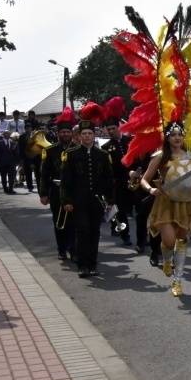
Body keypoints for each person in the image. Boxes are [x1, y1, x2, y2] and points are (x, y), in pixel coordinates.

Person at [139, 122, 191, 297]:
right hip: (165, 202)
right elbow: (145, 179)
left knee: (181, 241)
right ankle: (167, 258)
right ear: (167, 137)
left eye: (180, 135)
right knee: (169, 240)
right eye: (173, 134)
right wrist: (151, 189)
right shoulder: (160, 156)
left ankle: (178, 281)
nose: (177, 138)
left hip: (185, 202)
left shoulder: (190, 157)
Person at [60, 118, 115, 278]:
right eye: (84, 133)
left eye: (90, 133)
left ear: (95, 134)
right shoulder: (70, 155)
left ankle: (92, 264)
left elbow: (108, 180)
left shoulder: (103, 155)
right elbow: (65, 181)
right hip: (78, 201)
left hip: (96, 202)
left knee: (94, 232)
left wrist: (110, 200)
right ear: (79, 136)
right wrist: (67, 201)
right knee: (83, 231)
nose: (87, 136)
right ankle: (82, 264)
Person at [39, 108, 78, 261]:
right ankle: (61, 249)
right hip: (56, 192)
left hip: (74, 192)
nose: (65, 134)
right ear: (58, 133)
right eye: (62, 132)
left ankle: (73, 249)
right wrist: (43, 194)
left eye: (68, 132)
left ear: (71, 134)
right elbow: (44, 175)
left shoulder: (77, 150)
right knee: (59, 221)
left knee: (74, 223)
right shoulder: (49, 151)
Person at [101, 98, 134, 246]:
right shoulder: (106, 147)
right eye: (109, 129)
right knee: (120, 209)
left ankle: (143, 235)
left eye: (113, 128)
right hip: (119, 181)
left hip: (135, 178)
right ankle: (125, 235)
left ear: (119, 127)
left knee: (137, 208)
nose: (111, 131)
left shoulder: (130, 140)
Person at [0, 129, 19, 193]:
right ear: (3, 135)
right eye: (6, 133)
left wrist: (18, 161)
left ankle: (11, 189)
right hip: (2, 163)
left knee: (11, 176)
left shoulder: (13, 143)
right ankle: (5, 188)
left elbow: (16, 153)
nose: (7, 134)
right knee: (3, 177)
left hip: (11, 163)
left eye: (8, 133)